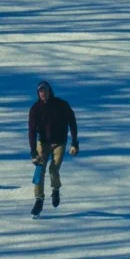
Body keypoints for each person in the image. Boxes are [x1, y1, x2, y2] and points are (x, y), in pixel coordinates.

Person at [27, 81, 80, 216]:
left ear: (50, 91)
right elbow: (32, 131)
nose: (43, 93)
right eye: (41, 91)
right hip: (43, 143)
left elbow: (72, 121)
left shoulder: (61, 105)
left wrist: (74, 142)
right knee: (39, 170)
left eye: (45, 90)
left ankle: (55, 189)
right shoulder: (35, 109)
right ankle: (39, 200)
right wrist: (33, 151)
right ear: (38, 93)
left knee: (53, 169)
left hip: (59, 143)